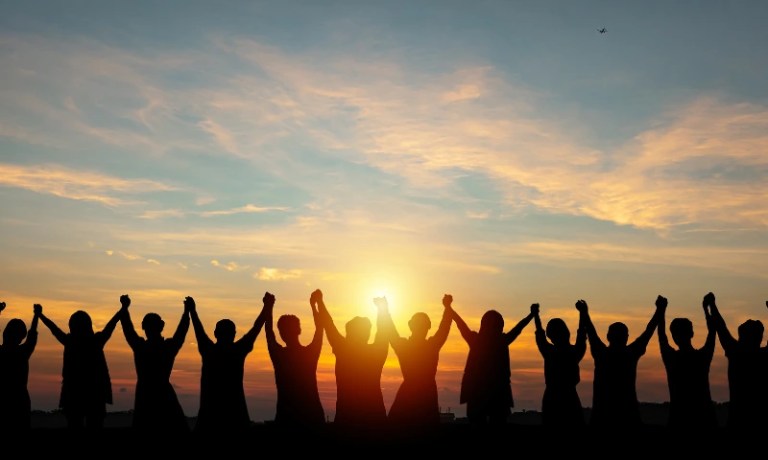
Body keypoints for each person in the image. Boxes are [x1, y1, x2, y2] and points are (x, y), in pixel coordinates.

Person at [188, 293, 269, 433]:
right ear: (234, 334)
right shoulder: (238, 350)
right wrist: (267, 307)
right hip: (235, 415)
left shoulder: (209, 350)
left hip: (210, 416)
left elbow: (198, 330)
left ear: (215, 333)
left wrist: (192, 311)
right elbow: (256, 328)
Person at [450, 300, 536, 426]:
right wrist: (531, 315)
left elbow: (460, 324)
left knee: (480, 423)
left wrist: (449, 309)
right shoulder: (501, 341)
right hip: (495, 394)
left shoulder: (477, 340)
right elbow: (518, 328)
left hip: (479, 394)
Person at [580, 297, 663, 428]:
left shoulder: (601, 353)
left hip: (602, 415)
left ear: (608, 337)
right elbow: (648, 332)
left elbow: (591, 331)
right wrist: (659, 311)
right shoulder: (630, 353)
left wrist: (584, 313)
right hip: (627, 414)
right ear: (626, 337)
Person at [37, 302, 122, 429]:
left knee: (75, 425)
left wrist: (40, 315)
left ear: (72, 326)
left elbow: (54, 329)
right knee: (94, 425)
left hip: (74, 394)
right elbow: (111, 325)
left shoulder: (70, 341)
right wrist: (123, 308)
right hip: (95, 395)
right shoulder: (96, 341)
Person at [315, 288, 389, 431]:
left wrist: (320, 302)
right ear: (367, 333)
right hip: (375, 418)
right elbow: (383, 331)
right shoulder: (376, 352)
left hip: (347, 418)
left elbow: (328, 324)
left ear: (349, 333)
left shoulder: (343, 350)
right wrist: (382, 309)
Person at [380, 293, 453, 432]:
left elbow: (390, 331)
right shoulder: (430, 345)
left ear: (410, 326)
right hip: (424, 396)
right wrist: (447, 308)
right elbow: (444, 329)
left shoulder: (406, 346)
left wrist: (384, 310)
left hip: (414, 395)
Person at [119, 294, 191, 433]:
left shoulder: (141, 347)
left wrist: (124, 308)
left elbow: (128, 329)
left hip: (146, 395)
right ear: (161, 326)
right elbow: (181, 332)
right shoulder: (167, 347)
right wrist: (187, 312)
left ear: (144, 328)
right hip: (162, 394)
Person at [264, 290, 325, 429]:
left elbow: (268, 332)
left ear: (281, 333)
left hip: (287, 418)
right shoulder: (310, 353)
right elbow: (320, 328)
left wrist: (269, 307)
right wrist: (314, 305)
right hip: (311, 417)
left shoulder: (279, 355)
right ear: (299, 330)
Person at [656, 293, 718, 429]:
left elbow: (661, 334)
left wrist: (661, 310)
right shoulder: (703, 357)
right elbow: (712, 331)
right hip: (704, 419)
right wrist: (707, 309)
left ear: (673, 336)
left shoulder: (671, 358)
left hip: (679, 419)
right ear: (692, 333)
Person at [708, 291, 768, 428]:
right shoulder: (763, 357)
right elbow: (721, 328)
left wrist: (712, 305)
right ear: (759, 338)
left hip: (737, 421)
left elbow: (721, 328)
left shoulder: (736, 353)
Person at [533, 301, 587, 428]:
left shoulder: (549, 352)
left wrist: (535, 315)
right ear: (566, 333)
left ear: (551, 336)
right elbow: (581, 334)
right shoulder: (573, 352)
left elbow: (540, 335)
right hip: (569, 398)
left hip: (552, 399)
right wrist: (582, 313)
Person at [0, 302, 40, 430]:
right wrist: (36, 316)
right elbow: (32, 335)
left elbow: (32, 335)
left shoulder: (3, 352)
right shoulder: (22, 352)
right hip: (20, 401)